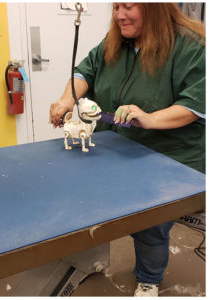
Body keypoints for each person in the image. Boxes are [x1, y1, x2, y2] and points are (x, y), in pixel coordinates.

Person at [50, 3, 205, 297]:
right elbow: (85, 71)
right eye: (116, 6)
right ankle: (88, 259)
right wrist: (66, 100)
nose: (120, 14)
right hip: (115, 147)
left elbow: (195, 104)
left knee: (150, 226)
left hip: (166, 156)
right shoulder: (115, 43)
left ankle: (149, 279)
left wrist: (150, 118)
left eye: (129, 6)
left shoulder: (191, 46)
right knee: (92, 205)